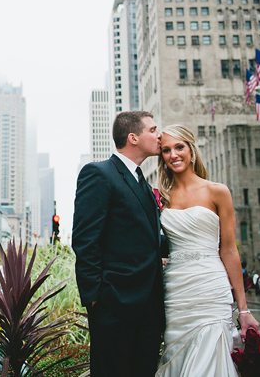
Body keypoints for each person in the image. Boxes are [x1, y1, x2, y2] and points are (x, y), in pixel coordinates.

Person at [155, 125, 260, 377]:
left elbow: (230, 251)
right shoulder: (161, 198)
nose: (173, 155)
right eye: (167, 150)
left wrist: (243, 309)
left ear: (191, 149)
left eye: (179, 147)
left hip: (211, 287)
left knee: (209, 360)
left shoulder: (217, 191)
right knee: (177, 358)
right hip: (176, 292)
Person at [72, 110, 165, 377]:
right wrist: (95, 300)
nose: (159, 135)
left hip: (149, 307)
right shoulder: (99, 174)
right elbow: (85, 239)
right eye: (153, 129)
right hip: (113, 306)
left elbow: (147, 239)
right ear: (133, 137)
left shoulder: (144, 184)